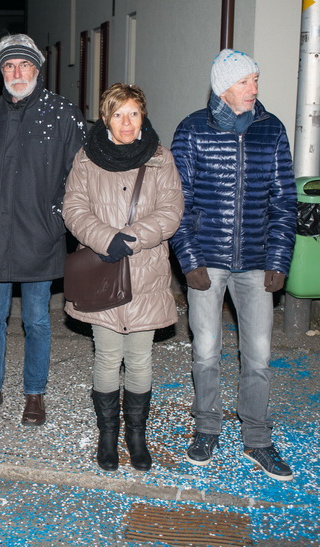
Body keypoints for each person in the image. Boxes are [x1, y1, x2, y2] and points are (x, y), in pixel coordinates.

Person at [170, 49, 297, 481]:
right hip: (207, 261)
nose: (253, 88)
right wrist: (189, 259)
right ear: (223, 87)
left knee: (258, 355)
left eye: (255, 80)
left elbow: (284, 202)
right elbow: (178, 202)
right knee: (206, 351)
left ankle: (257, 438)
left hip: (258, 262)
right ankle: (207, 428)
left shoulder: (271, 129)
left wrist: (278, 259)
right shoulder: (192, 130)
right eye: (245, 81)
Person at [0, 34, 85, 425]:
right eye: (10, 66)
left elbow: (78, 176)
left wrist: (56, 220)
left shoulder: (63, 112)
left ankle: (34, 393)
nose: (17, 73)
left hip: (40, 235)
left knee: (37, 320)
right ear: (2, 72)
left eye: (24, 65)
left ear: (37, 69)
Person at [63, 84, 183, 472]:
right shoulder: (86, 158)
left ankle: (136, 436)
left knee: (140, 360)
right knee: (107, 356)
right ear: (105, 119)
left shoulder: (160, 158)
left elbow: (171, 211)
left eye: (133, 113)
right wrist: (105, 239)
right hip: (103, 272)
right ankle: (108, 436)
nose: (126, 122)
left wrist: (129, 239)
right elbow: (74, 208)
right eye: (118, 114)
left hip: (145, 273)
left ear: (143, 116)